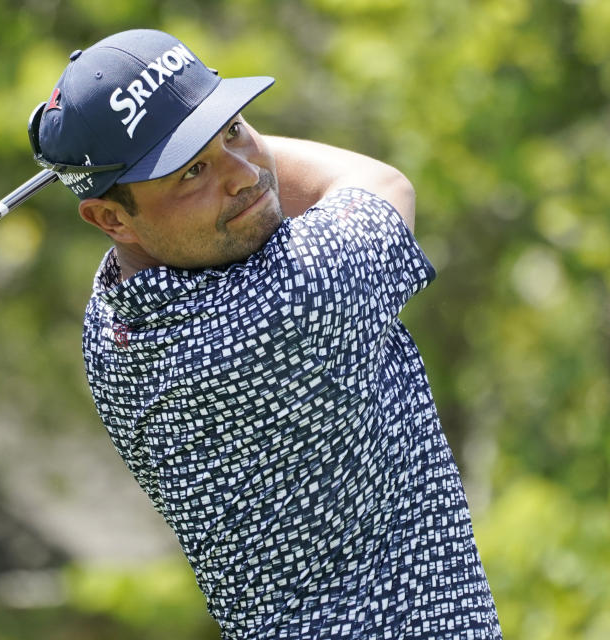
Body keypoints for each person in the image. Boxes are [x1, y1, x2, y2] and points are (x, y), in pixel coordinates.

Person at [29, 29, 502, 639]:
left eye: (235, 128)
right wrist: (201, 119)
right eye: (192, 169)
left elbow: (231, 184)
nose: (246, 173)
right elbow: (384, 186)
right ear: (111, 217)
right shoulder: (292, 303)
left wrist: (178, 136)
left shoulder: (111, 324)